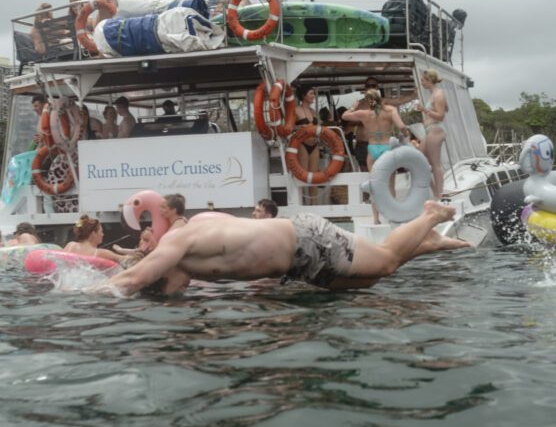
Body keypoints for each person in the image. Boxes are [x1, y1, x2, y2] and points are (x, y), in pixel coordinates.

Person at [99, 201, 469, 297]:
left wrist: (85, 293)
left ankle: (430, 217)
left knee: (386, 263)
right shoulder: (194, 239)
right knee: (369, 282)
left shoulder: (176, 245)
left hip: (305, 241)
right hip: (297, 261)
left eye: (171, 291)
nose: (180, 292)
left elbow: (132, 279)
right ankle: (426, 244)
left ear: (165, 273)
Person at [342, 86, 410, 223]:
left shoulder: (364, 113)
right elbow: (401, 126)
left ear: (368, 101)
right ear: (380, 99)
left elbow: (344, 116)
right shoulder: (390, 110)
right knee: (390, 184)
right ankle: (392, 216)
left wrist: (353, 106)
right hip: (387, 148)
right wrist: (407, 134)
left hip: (373, 148)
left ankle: (376, 219)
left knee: (374, 184)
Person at [416, 68, 448, 199]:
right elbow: (446, 108)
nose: (421, 83)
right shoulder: (435, 94)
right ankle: (436, 192)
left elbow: (441, 116)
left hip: (436, 130)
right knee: (418, 159)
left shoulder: (438, 94)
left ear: (429, 80)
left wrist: (425, 110)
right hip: (430, 130)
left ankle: (439, 195)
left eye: (423, 81)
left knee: (435, 164)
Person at [295, 86, 321, 205]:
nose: (313, 96)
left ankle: (314, 204)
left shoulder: (314, 112)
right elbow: (288, 127)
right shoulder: (296, 110)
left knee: (314, 176)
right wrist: (298, 128)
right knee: (304, 175)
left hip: (314, 144)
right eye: (311, 94)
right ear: (304, 95)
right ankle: (304, 204)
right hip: (302, 144)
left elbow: (320, 127)